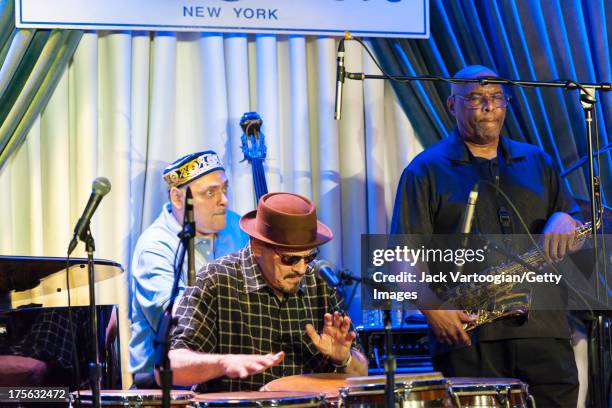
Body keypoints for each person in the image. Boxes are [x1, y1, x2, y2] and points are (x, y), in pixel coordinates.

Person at [391, 65, 582, 407]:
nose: (489, 106)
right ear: (452, 105)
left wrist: (564, 217)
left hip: (545, 331)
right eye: (476, 98)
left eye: (496, 98)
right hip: (471, 338)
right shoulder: (425, 169)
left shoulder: (538, 161)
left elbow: (576, 224)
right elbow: (402, 257)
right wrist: (433, 310)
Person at [167, 192, 368, 392]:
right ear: (257, 247)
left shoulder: (319, 283)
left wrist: (344, 359)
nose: (300, 269)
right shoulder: (215, 281)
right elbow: (172, 366)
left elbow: (362, 372)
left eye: (308, 257)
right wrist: (223, 363)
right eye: (290, 259)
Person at [129, 150, 249, 388]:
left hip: (225, 378)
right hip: (165, 389)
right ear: (177, 198)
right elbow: (179, 322)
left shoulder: (239, 227)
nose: (224, 199)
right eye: (210, 193)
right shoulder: (154, 248)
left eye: (224, 189)